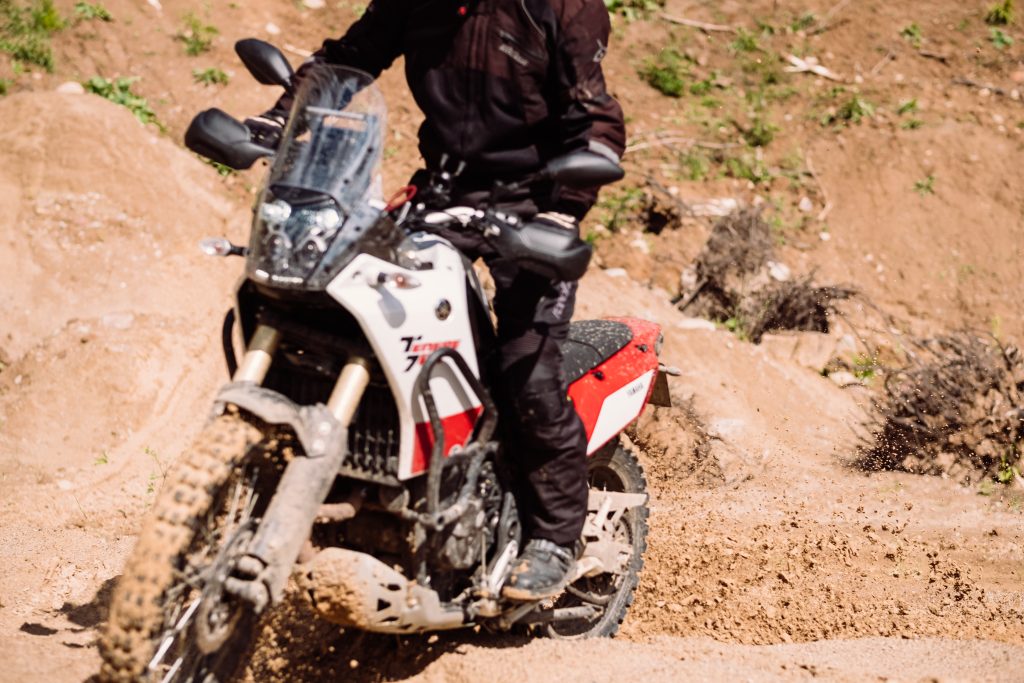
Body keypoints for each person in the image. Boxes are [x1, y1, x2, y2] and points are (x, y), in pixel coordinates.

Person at [247, 0, 625, 601]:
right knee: (359, 315)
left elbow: (597, 122)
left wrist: (563, 208)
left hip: (535, 208)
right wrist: (280, 115)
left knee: (526, 371)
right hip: (442, 196)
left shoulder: (560, 9)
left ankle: (553, 538)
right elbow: (349, 61)